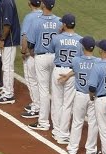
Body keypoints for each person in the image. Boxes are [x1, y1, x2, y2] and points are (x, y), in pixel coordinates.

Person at [59, 36, 101, 154]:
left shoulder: (76, 60)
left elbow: (77, 70)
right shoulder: (98, 62)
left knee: (77, 121)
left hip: (80, 95)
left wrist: (68, 75)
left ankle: (72, 149)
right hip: (93, 96)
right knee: (93, 123)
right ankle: (90, 151)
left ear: (83, 47)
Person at [26, 0, 62, 131]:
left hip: (41, 56)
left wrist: (34, 54)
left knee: (44, 91)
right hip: (55, 58)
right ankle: (58, 126)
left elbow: (30, 44)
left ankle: (43, 122)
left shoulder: (36, 21)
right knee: (57, 92)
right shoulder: (59, 21)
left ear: (43, 6)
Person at [48, 13, 83, 144]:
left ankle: (56, 130)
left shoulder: (57, 38)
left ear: (64, 24)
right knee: (68, 104)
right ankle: (63, 134)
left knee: (57, 101)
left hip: (58, 70)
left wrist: (59, 34)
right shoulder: (80, 40)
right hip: (71, 73)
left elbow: (52, 50)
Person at [0, 0, 20, 104]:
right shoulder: (4, 1)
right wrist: (0, 34)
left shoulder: (6, 2)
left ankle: (9, 94)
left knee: (8, 67)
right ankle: (5, 89)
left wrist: (2, 39)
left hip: (10, 40)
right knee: (6, 66)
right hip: (8, 39)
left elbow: (7, 24)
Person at [20, 0, 42, 118]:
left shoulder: (29, 18)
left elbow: (25, 36)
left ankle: (37, 107)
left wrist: (24, 51)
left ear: (30, 4)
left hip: (32, 54)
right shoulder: (46, 16)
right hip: (45, 55)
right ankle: (41, 105)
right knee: (41, 83)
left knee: (31, 81)